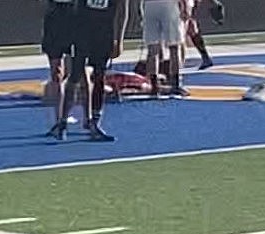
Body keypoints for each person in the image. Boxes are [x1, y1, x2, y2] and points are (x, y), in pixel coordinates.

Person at [53, 0, 128, 141]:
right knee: (75, 74)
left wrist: (119, 39)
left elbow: (123, 10)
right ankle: (62, 122)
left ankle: (94, 122)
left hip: (103, 32)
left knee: (99, 75)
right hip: (81, 30)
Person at [40, 0, 77, 136]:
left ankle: (89, 119)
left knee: (77, 72)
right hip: (55, 16)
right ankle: (59, 121)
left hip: (74, 15)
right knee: (57, 74)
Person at [142, 0, 186, 97]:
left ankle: (154, 85)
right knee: (174, 46)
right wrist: (185, 6)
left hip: (149, 6)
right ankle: (175, 83)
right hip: (168, 4)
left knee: (153, 48)